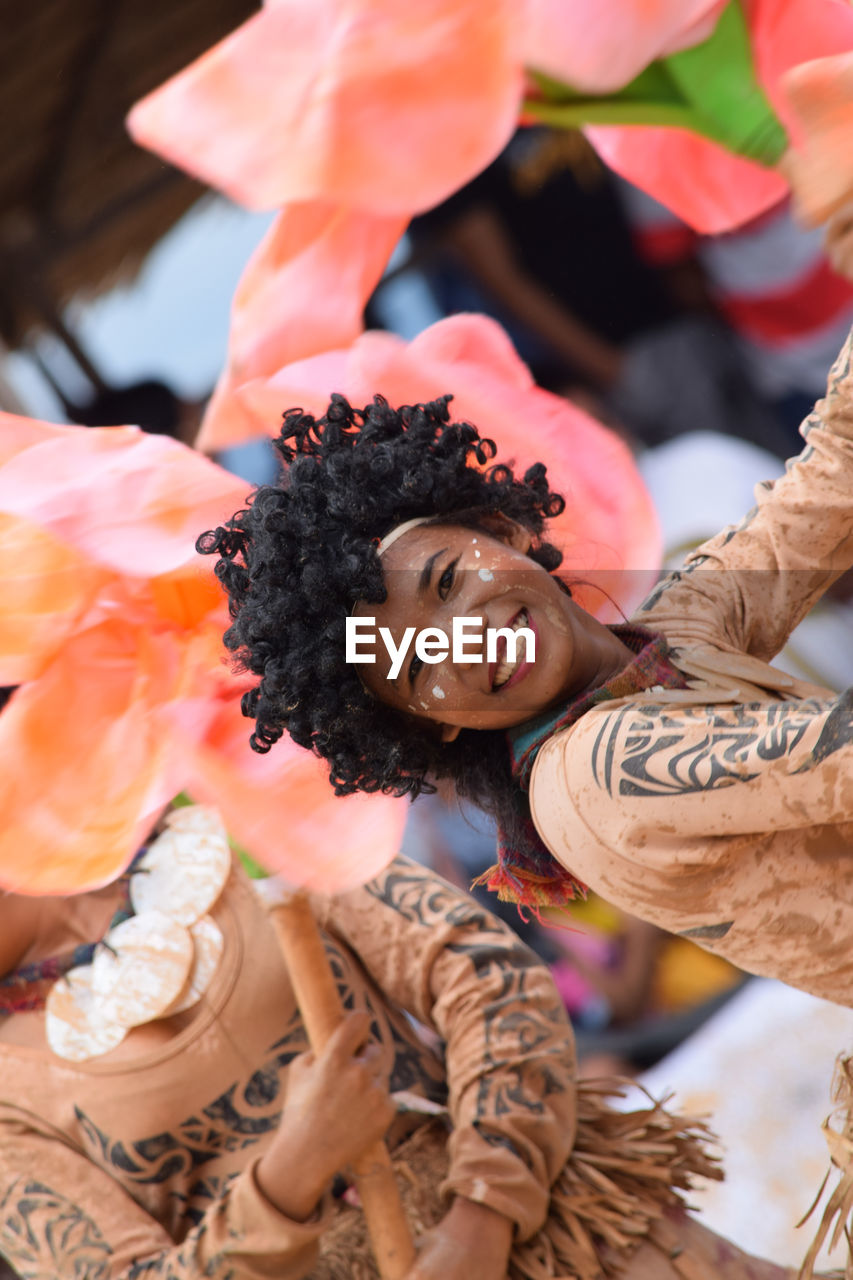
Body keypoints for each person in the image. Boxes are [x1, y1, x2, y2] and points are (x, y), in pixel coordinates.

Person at [198, 326, 853, 1014]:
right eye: (419, 665)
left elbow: (828, 480)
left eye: (447, 581)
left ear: (502, 530)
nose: (469, 641)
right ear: (435, 728)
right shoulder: (593, 775)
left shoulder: (665, 634)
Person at [0, 803, 799, 1280]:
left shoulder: (237, 830)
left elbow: (484, 976)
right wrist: (291, 1171)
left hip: (561, 1234)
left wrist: (480, 1219)